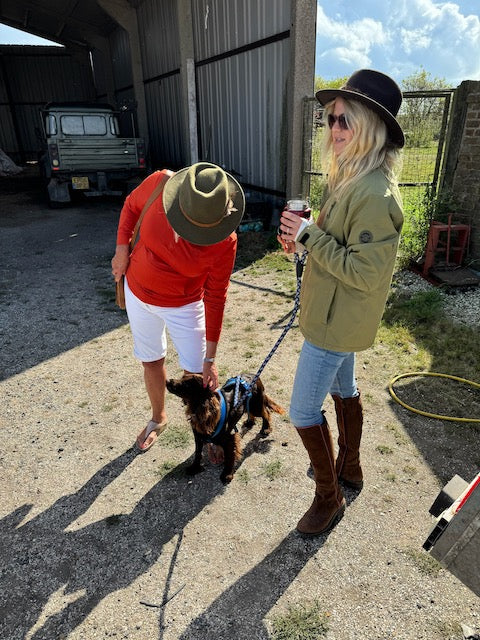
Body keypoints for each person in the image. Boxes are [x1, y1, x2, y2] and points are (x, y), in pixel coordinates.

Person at [278, 69, 404, 536]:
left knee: (302, 411)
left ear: (371, 127)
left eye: (346, 121)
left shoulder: (374, 192)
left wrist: (309, 235)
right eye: (331, 119)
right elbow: (338, 245)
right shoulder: (351, 177)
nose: (334, 129)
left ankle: (328, 498)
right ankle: (349, 467)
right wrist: (305, 234)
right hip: (335, 315)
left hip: (336, 321)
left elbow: (365, 273)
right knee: (343, 389)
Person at [111, 162, 245, 455]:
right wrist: (122, 248)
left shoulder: (225, 242)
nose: (192, 236)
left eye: (202, 230)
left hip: (185, 305)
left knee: (198, 376)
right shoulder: (159, 184)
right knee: (150, 360)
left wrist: (211, 357)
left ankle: (210, 429)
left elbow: (216, 296)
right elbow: (131, 208)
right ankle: (158, 417)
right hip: (138, 292)